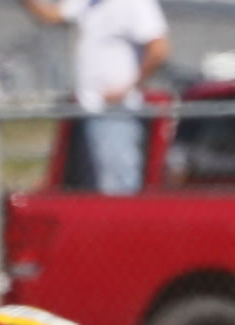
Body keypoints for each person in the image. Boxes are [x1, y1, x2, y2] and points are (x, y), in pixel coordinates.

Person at [19, 0, 171, 195]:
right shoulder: (87, 3)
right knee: (86, 184)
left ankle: (118, 224)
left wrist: (129, 87)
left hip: (115, 111)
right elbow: (51, 16)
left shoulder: (136, 4)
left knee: (117, 183)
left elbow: (159, 49)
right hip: (85, 109)